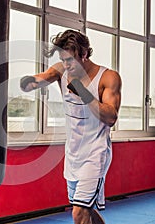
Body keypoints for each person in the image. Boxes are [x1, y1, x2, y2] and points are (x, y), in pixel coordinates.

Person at [20, 29, 122, 224]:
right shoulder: (62, 70)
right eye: (63, 60)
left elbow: (110, 117)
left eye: (70, 60)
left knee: (79, 212)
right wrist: (28, 84)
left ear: (84, 54)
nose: (66, 65)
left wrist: (84, 94)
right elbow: (42, 78)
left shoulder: (108, 77)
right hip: (74, 155)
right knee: (87, 211)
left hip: (96, 154)